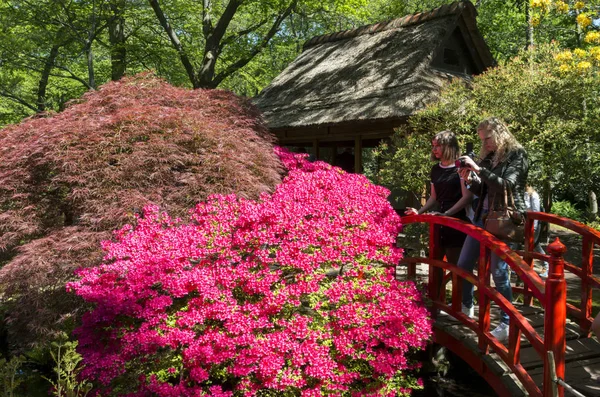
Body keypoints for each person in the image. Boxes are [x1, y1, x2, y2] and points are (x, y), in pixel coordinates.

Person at [456, 117, 528, 343]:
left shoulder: (518, 154)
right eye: (482, 139)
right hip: (483, 217)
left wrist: (479, 168)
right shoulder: (488, 156)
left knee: (499, 272)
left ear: (499, 133)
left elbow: (507, 185)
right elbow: (483, 190)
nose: (484, 143)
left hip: (505, 219)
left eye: (487, 138)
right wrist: (469, 179)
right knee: (463, 264)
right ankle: (467, 305)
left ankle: (506, 323)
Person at [405, 130, 473, 267]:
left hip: (458, 220)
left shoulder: (461, 167)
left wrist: (447, 214)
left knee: (458, 267)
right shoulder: (435, 169)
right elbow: (434, 197)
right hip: (440, 220)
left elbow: (467, 197)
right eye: (433, 145)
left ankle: (461, 290)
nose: (434, 149)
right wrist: (419, 212)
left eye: (437, 146)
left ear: (449, 146)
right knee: (435, 265)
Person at [524, 184, 550, 278]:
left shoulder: (533, 195)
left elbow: (536, 212)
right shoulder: (524, 194)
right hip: (526, 224)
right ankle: (523, 266)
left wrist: (533, 227)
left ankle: (547, 267)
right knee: (527, 244)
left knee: (535, 245)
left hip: (534, 224)